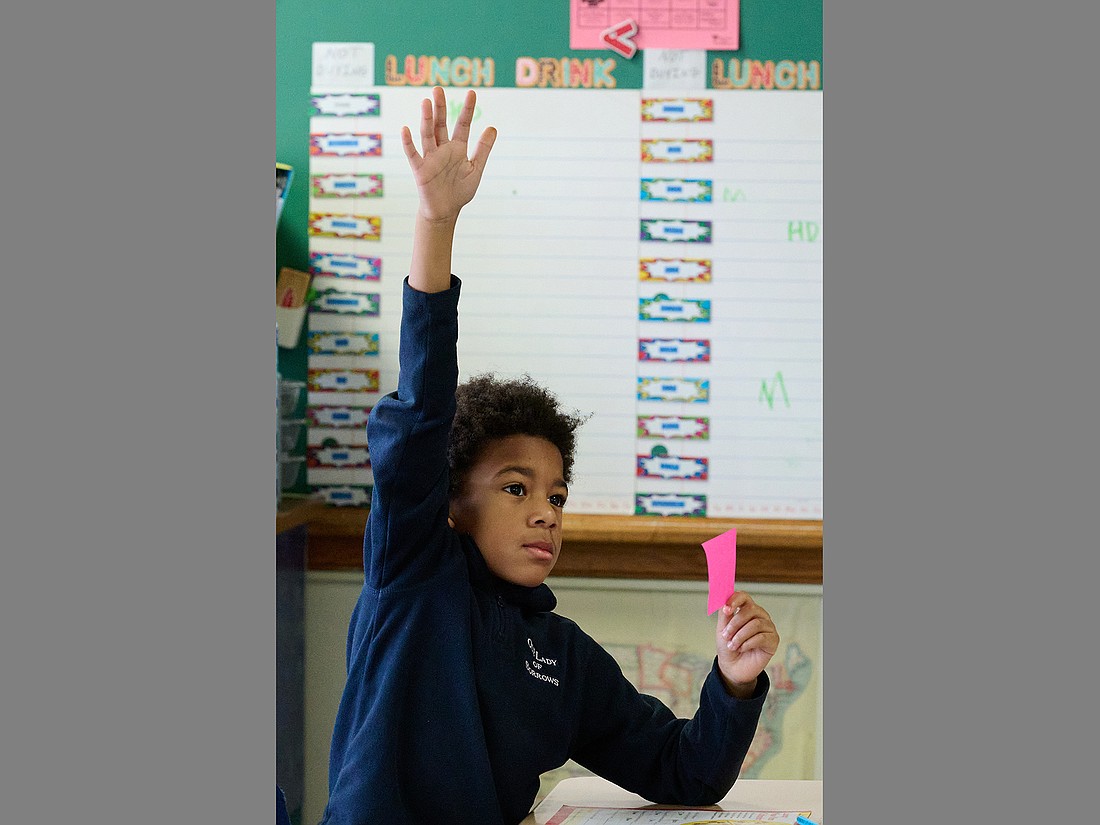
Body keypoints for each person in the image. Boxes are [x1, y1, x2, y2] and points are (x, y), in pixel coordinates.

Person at [320, 86, 780, 825]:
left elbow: (682, 770)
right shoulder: (411, 574)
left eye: (557, 495)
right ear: (449, 500)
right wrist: (436, 227)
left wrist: (732, 682)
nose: (545, 511)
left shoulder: (561, 654)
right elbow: (419, 416)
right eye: (514, 488)